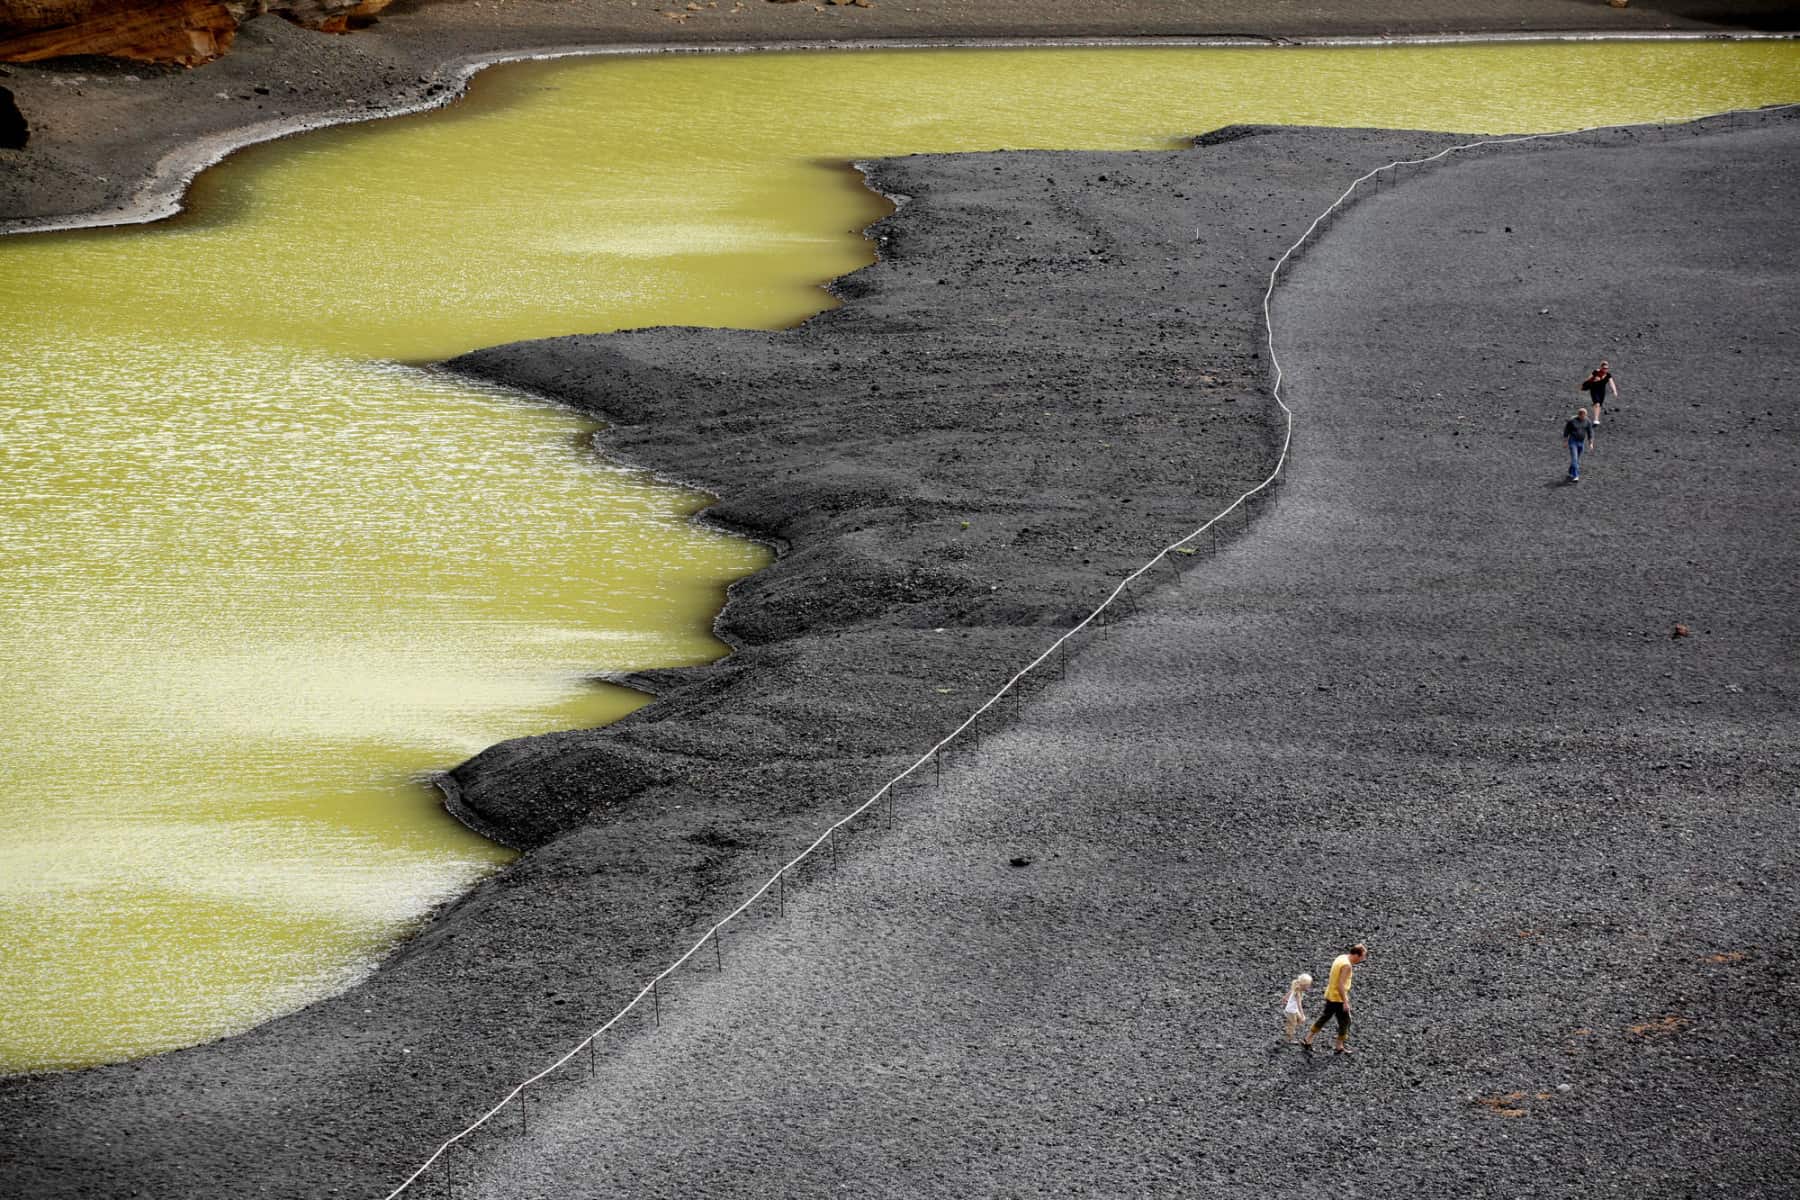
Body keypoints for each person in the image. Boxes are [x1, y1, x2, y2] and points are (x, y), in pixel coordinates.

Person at [1302, 943, 1367, 1055]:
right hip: (1338, 998)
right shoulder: (1347, 966)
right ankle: (1339, 1046)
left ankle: (1308, 1038)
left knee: (1325, 1017)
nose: (1362, 959)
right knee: (1345, 1021)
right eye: (1362, 956)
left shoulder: (1341, 957)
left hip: (1330, 995)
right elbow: (1340, 985)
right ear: (1356, 955)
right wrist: (1345, 1002)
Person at [1580, 360, 1619, 433]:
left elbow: (1611, 383)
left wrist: (1614, 391)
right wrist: (1594, 380)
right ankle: (1596, 419)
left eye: (1606, 368)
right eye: (1604, 368)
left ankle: (1596, 418)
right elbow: (1588, 380)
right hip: (1594, 390)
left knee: (1599, 405)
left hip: (1602, 392)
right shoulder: (1596, 372)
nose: (1605, 369)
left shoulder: (1608, 375)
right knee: (1597, 404)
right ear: (1601, 367)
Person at [1280, 972, 1314, 1043]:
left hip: (1293, 1010)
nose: (1309, 987)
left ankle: (1289, 1027)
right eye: (1308, 985)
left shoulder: (1296, 987)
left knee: (1299, 1020)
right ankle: (1289, 1038)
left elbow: (1290, 992)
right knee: (1293, 1024)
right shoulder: (1298, 993)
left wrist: (1285, 998)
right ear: (1304, 985)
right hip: (1291, 1011)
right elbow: (1299, 1005)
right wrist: (1302, 1014)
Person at [1564, 407, 1593, 482]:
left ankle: (1571, 470)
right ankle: (1575, 475)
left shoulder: (1587, 421)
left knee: (1576, 459)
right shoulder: (1572, 421)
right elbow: (1567, 431)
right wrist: (1565, 441)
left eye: (1585, 416)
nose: (1583, 417)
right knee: (1575, 458)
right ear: (1579, 415)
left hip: (1581, 442)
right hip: (1573, 441)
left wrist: (1590, 443)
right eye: (1582, 416)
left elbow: (1590, 432)